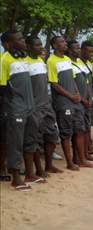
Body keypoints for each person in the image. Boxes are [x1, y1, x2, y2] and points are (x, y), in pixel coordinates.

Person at [0, 30, 35, 191]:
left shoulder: (23, 58)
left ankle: (30, 174)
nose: (23, 41)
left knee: (29, 140)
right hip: (15, 109)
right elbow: (2, 87)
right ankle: (16, 178)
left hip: (30, 107)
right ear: (8, 44)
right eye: (19, 39)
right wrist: (10, 108)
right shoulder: (4, 60)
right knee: (15, 143)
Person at [25, 36, 63, 176]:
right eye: (36, 45)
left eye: (41, 44)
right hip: (34, 108)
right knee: (34, 140)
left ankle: (48, 166)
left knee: (52, 137)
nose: (41, 47)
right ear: (28, 47)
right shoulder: (25, 63)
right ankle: (38, 170)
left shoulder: (41, 61)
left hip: (47, 106)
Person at [48, 36, 86, 170]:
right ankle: (69, 163)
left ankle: (81, 160)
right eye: (61, 42)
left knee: (79, 130)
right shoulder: (51, 61)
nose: (65, 44)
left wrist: (77, 94)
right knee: (66, 133)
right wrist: (70, 96)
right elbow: (54, 84)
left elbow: (73, 79)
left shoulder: (67, 59)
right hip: (64, 103)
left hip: (75, 101)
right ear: (54, 45)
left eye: (65, 41)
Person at [66, 40, 93, 168]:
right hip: (78, 103)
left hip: (88, 101)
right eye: (76, 48)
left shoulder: (81, 63)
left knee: (85, 129)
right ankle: (79, 159)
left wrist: (90, 98)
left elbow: (88, 82)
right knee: (78, 131)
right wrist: (83, 100)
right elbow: (72, 85)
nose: (78, 50)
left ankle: (84, 154)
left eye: (79, 48)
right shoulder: (68, 63)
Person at [0, 32, 11, 182]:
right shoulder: (3, 60)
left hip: (9, 104)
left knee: (6, 138)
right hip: (5, 103)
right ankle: (2, 168)